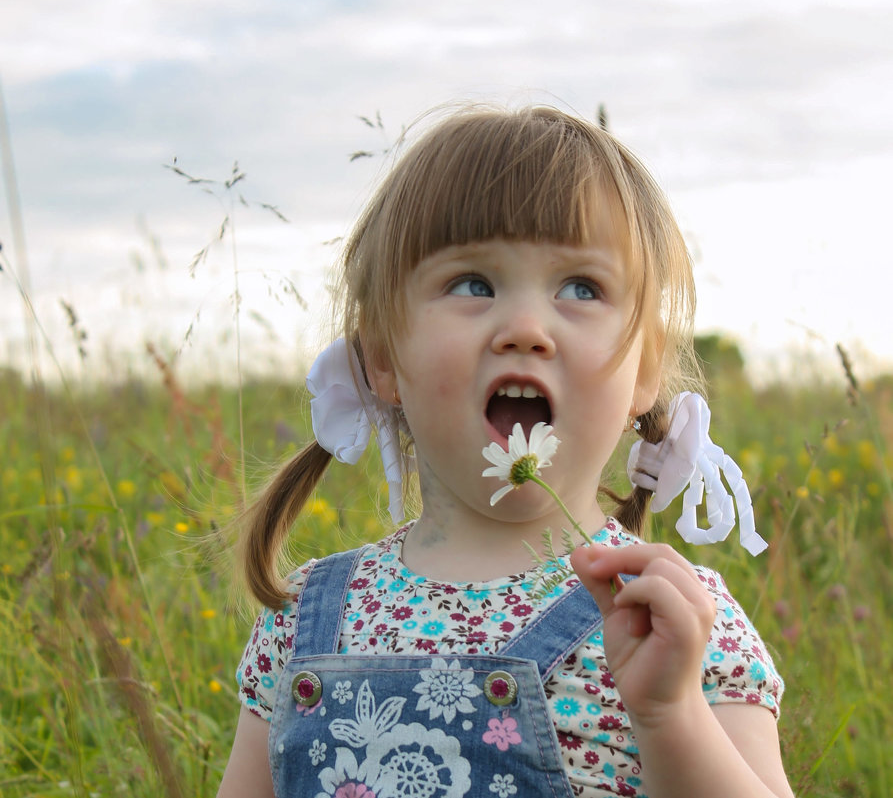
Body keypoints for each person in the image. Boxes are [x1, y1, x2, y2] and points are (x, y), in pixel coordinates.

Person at [217, 104, 794, 798]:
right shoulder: (305, 618)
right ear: (381, 357)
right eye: (472, 284)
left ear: (644, 369)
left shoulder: (673, 617)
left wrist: (669, 714)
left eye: (582, 288)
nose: (525, 327)